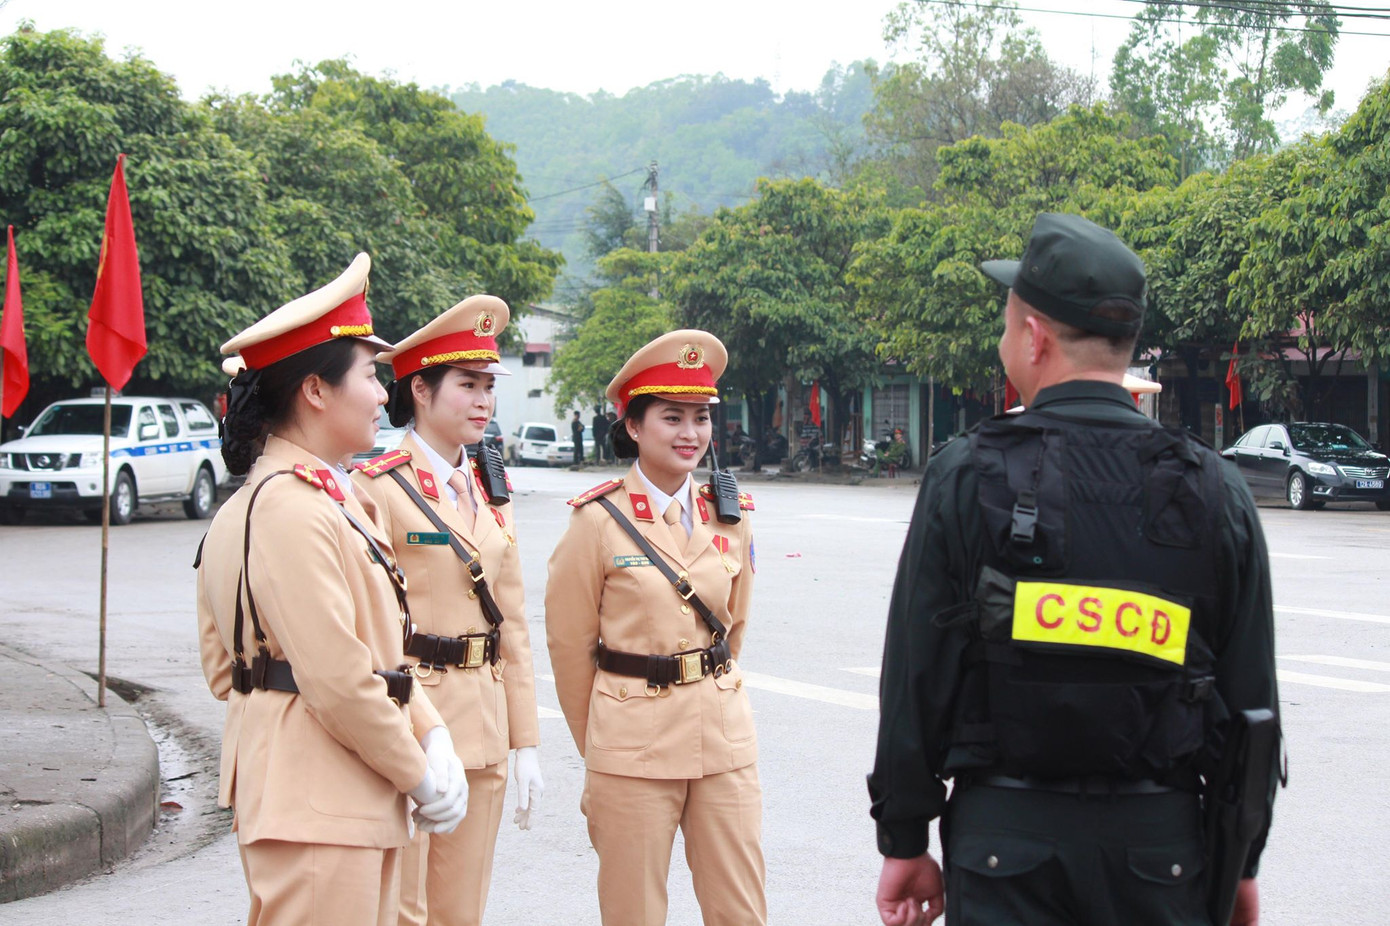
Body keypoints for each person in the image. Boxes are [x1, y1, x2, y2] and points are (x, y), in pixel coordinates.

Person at [868, 214, 1280, 926]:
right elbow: (1252, 701)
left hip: (1006, 845)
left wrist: (904, 838)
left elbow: (917, 677)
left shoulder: (966, 473)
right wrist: (1242, 862)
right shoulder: (1214, 488)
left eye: (1006, 324)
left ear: (1034, 336)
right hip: (1165, 851)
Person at [197, 253, 469, 926]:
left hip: (333, 795)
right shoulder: (292, 508)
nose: (384, 394)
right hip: (319, 800)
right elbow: (340, 678)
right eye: (371, 376)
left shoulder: (310, 499)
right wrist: (417, 768)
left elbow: (226, 665)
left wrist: (431, 733)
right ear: (315, 390)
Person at [545, 330, 764, 926]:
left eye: (700, 417)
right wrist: (602, 746)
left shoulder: (731, 515)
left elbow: (733, 627)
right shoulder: (597, 520)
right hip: (630, 747)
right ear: (635, 427)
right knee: (634, 911)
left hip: (723, 741)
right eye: (671, 417)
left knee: (740, 909)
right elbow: (569, 649)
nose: (690, 433)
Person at [352, 295, 543, 926]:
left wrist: (526, 741)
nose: (484, 399)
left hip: (484, 728)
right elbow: (369, 627)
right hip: (413, 723)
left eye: (489, 385)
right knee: (404, 910)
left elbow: (510, 622)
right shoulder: (377, 487)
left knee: (463, 912)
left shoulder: (490, 489)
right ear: (421, 391)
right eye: (467, 384)